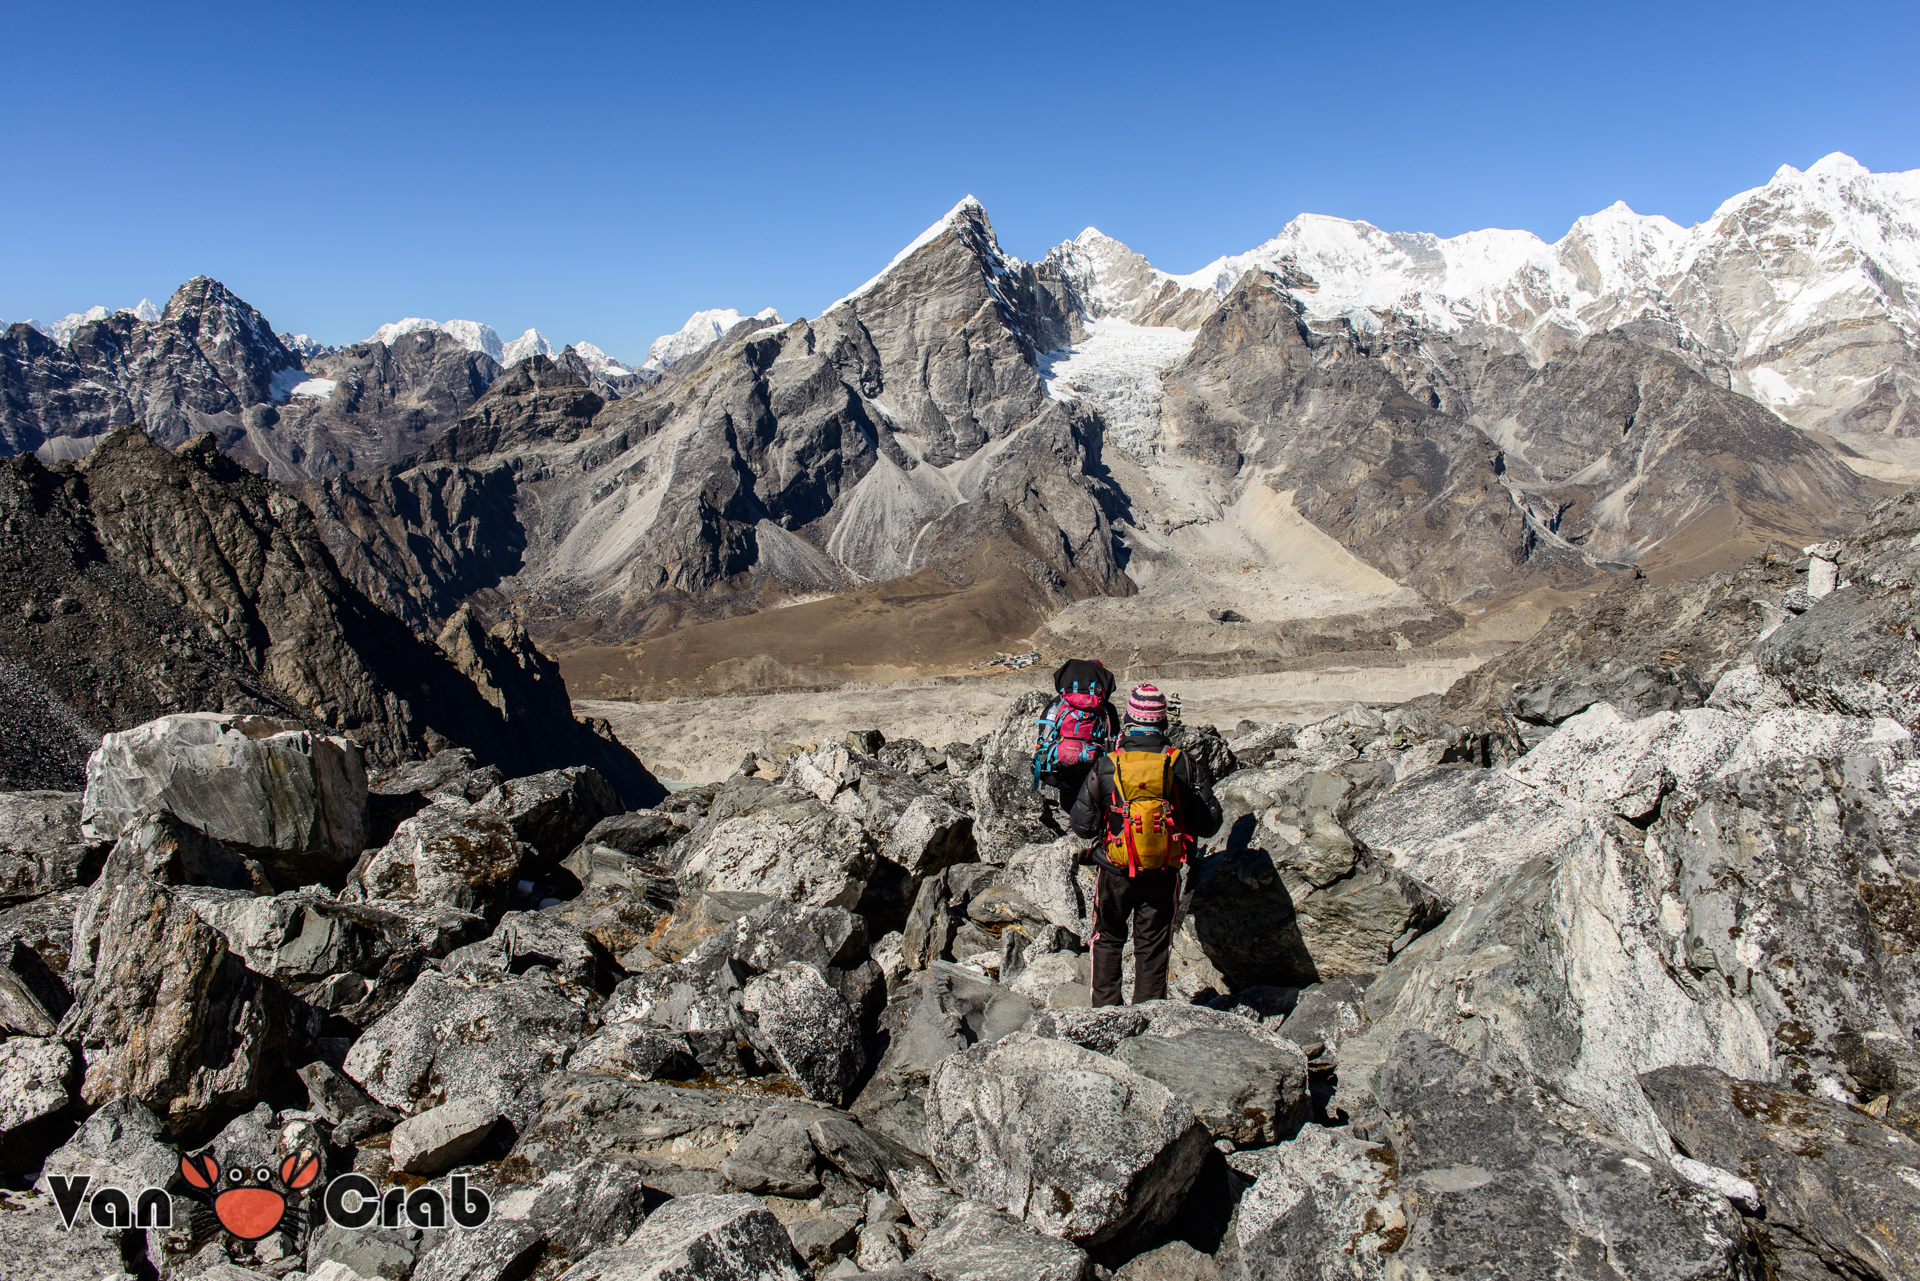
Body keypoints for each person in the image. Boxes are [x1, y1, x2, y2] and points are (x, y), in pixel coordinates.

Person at [1068, 683, 1222, 1006]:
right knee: (1152, 945)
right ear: (1162, 723)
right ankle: (1148, 1020)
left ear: (1128, 720)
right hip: (1163, 871)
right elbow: (1211, 822)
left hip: (1115, 869)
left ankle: (1105, 1016)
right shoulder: (1182, 764)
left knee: (1108, 938)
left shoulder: (1107, 764)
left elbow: (1081, 825)